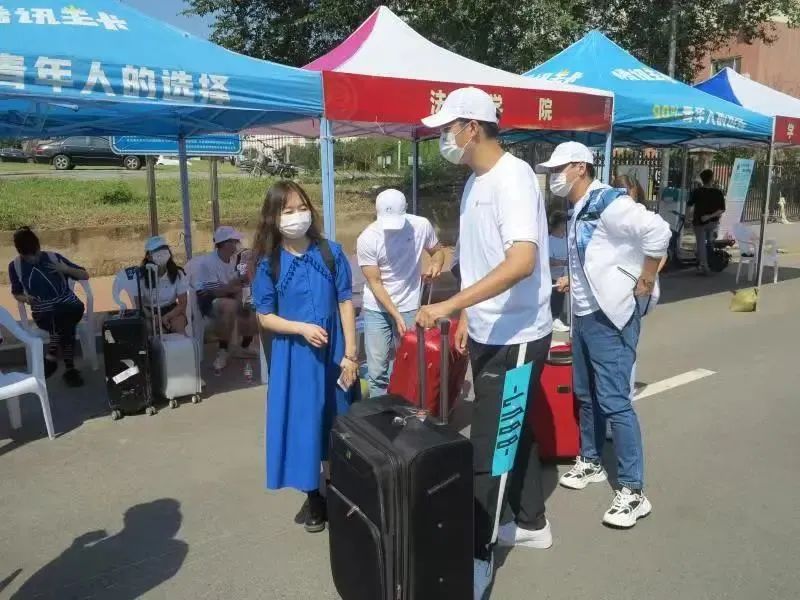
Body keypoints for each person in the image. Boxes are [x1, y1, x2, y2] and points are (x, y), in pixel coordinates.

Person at [415, 87, 554, 600]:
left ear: (472, 127)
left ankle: (477, 557)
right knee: (513, 430)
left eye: (448, 129)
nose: (444, 139)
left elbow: (521, 262)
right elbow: (481, 256)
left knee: (489, 449)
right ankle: (532, 522)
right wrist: (464, 308)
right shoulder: (476, 182)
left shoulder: (513, 179)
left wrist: (449, 305)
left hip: (516, 335)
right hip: (487, 328)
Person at [537, 141, 670, 529]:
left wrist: (647, 279)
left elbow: (658, 231)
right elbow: (596, 255)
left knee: (614, 401)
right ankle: (591, 460)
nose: (554, 176)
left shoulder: (608, 202)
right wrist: (572, 278)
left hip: (611, 317)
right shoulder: (579, 206)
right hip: (582, 315)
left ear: (580, 167)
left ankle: (633, 491)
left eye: (559, 168)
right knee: (585, 394)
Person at [251, 180, 358, 534]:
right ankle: (314, 496)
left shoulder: (331, 252)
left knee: (338, 420)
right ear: (273, 217)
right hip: (295, 358)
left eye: (302, 208)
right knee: (305, 425)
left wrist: (351, 353)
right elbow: (265, 316)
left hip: (335, 352)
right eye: (288, 210)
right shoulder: (268, 264)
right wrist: (300, 328)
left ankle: (339, 489)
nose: (297, 216)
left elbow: (345, 301)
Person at [357, 188, 445, 397]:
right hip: (377, 308)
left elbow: (438, 250)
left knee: (409, 364)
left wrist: (436, 264)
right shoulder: (367, 238)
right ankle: (381, 410)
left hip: (409, 305)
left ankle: (405, 406)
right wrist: (396, 315)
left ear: (405, 210)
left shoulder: (421, 226)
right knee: (377, 370)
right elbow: (375, 282)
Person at [9, 227, 89, 387]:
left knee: (67, 311)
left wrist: (65, 269)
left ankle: (52, 354)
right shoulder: (15, 266)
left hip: (69, 305)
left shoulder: (53, 258)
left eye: (36, 254)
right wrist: (26, 299)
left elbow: (84, 275)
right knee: (65, 322)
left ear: (39, 247)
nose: (34, 259)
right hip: (44, 313)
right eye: (29, 257)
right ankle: (70, 369)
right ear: (20, 253)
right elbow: (16, 293)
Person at [193, 225, 258, 374]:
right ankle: (223, 351)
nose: (237, 244)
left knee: (252, 304)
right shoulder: (208, 263)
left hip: (228, 295)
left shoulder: (234, 259)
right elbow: (215, 291)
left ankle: (244, 346)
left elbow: (236, 283)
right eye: (234, 241)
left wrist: (243, 279)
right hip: (208, 299)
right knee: (229, 306)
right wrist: (235, 286)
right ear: (225, 244)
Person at [140, 236, 189, 335]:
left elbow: (182, 303)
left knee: (179, 325)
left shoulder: (178, 274)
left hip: (172, 311)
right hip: (149, 313)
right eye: (156, 250)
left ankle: (182, 344)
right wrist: (153, 317)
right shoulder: (140, 276)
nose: (161, 253)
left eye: (164, 249)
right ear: (148, 256)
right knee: (148, 329)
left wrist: (166, 317)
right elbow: (139, 305)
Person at [687, 169, 726, 275]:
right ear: (712, 179)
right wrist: (710, 216)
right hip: (713, 223)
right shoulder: (718, 192)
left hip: (699, 222)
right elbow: (722, 209)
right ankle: (711, 261)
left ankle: (704, 265)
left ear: (702, 179)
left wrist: (687, 218)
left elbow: (689, 206)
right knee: (710, 242)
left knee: (700, 244)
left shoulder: (697, 192)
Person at [548, 211, 569, 333]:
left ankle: (558, 318)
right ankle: (554, 319)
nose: (566, 225)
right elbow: (549, 260)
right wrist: (565, 262)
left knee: (562, 299)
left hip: (566, 275)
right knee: (555, 299)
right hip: (552, 277)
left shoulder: (568, 238)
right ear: (559, 224)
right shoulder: (549, 240)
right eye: (564, 222)